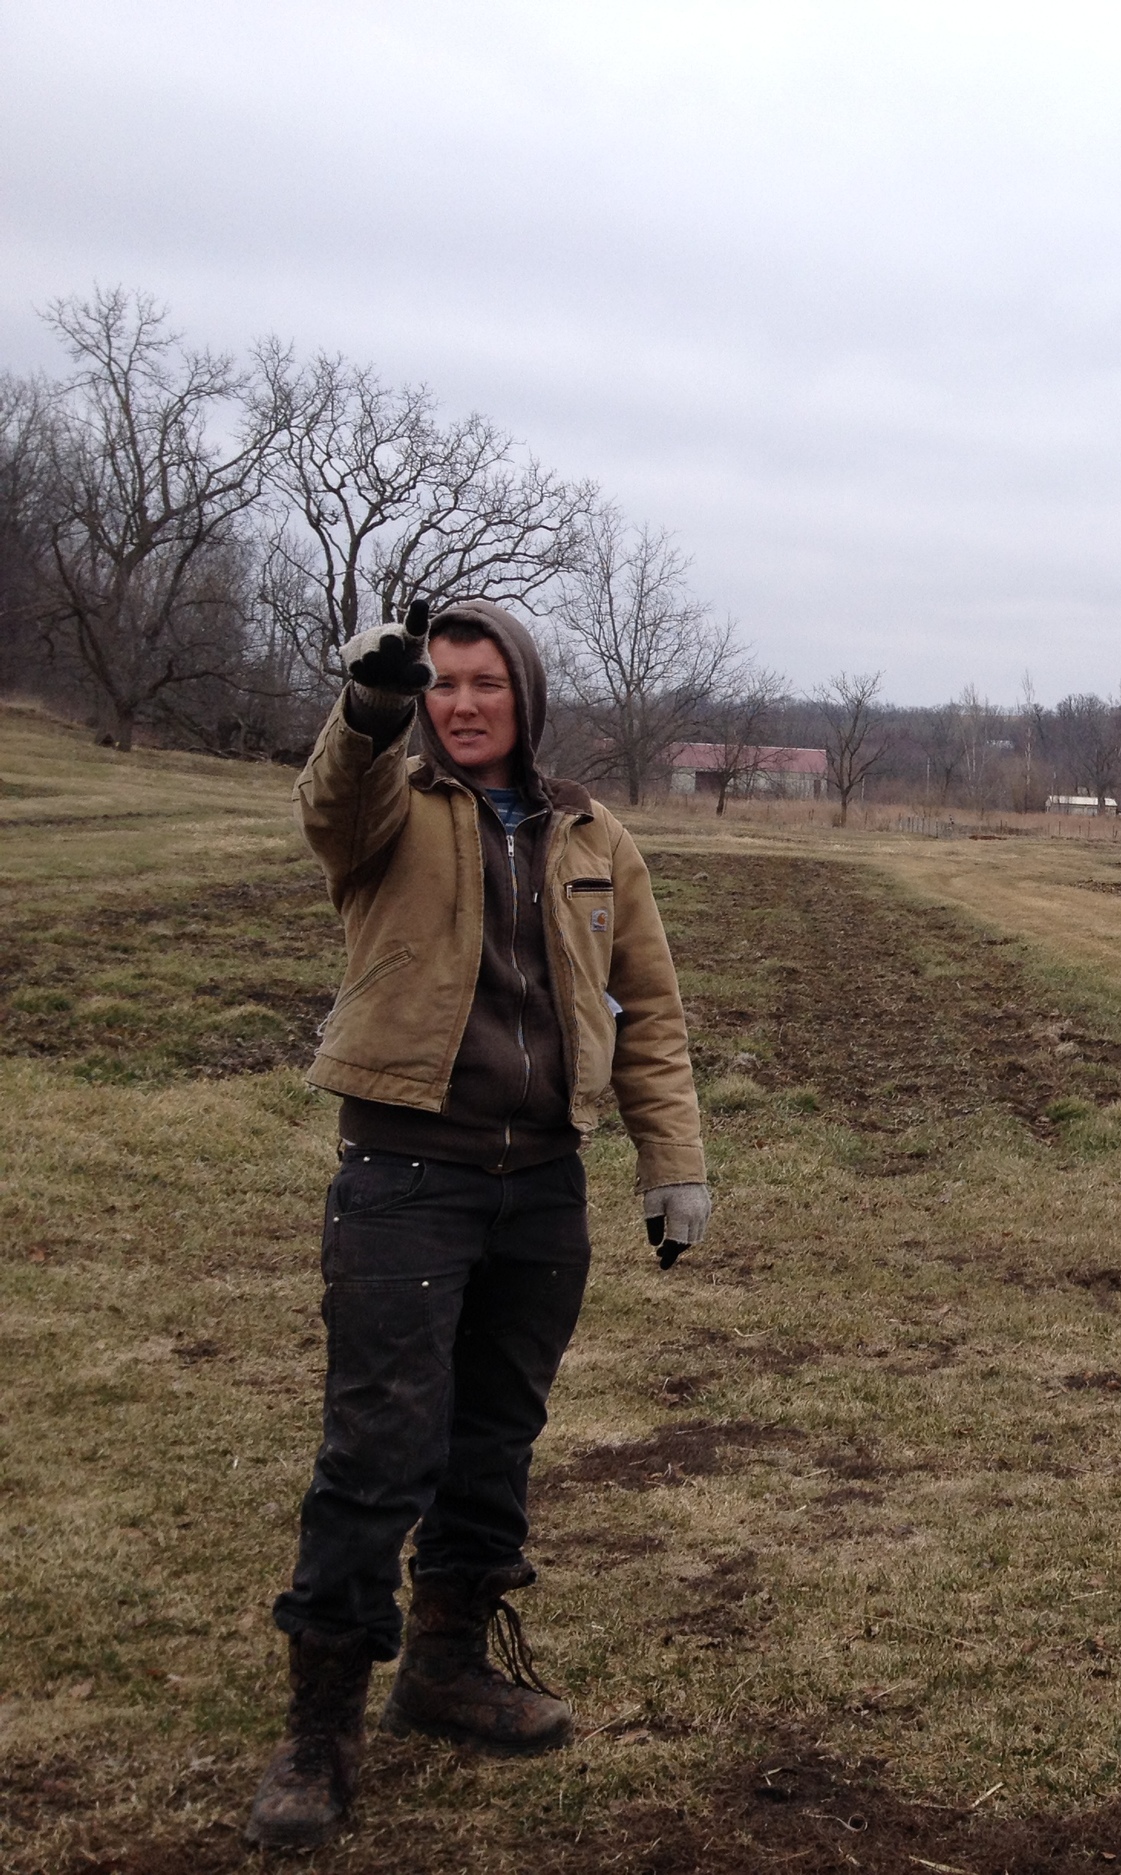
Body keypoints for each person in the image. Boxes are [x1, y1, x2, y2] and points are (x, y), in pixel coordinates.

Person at [245, 599, 712, 1851]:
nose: (461, 703)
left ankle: (444, 1666)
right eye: (442, 683)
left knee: (495, 1437)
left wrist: (674, 1165)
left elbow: (647, 1009)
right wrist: (367, 709)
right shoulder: (391, 807)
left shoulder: (593, 834)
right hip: (407, 1173)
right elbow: (329, 810)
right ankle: (320, 1725)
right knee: (378, 1449)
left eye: (483, 683)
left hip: (541, 1185)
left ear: (527, 696)